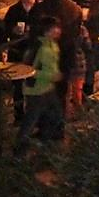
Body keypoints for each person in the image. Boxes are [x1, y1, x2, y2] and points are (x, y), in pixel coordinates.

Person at [15, 20, 65, 155]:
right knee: (31, 120)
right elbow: (29, 70)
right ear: (48, 30)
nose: (59, 30)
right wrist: (52, 76)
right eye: (56, 28)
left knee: (55, 116)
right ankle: (20, 150)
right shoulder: (39, 48)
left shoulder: (51, 45)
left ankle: (41, 142)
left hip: (47, 88)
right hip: (37, 90)